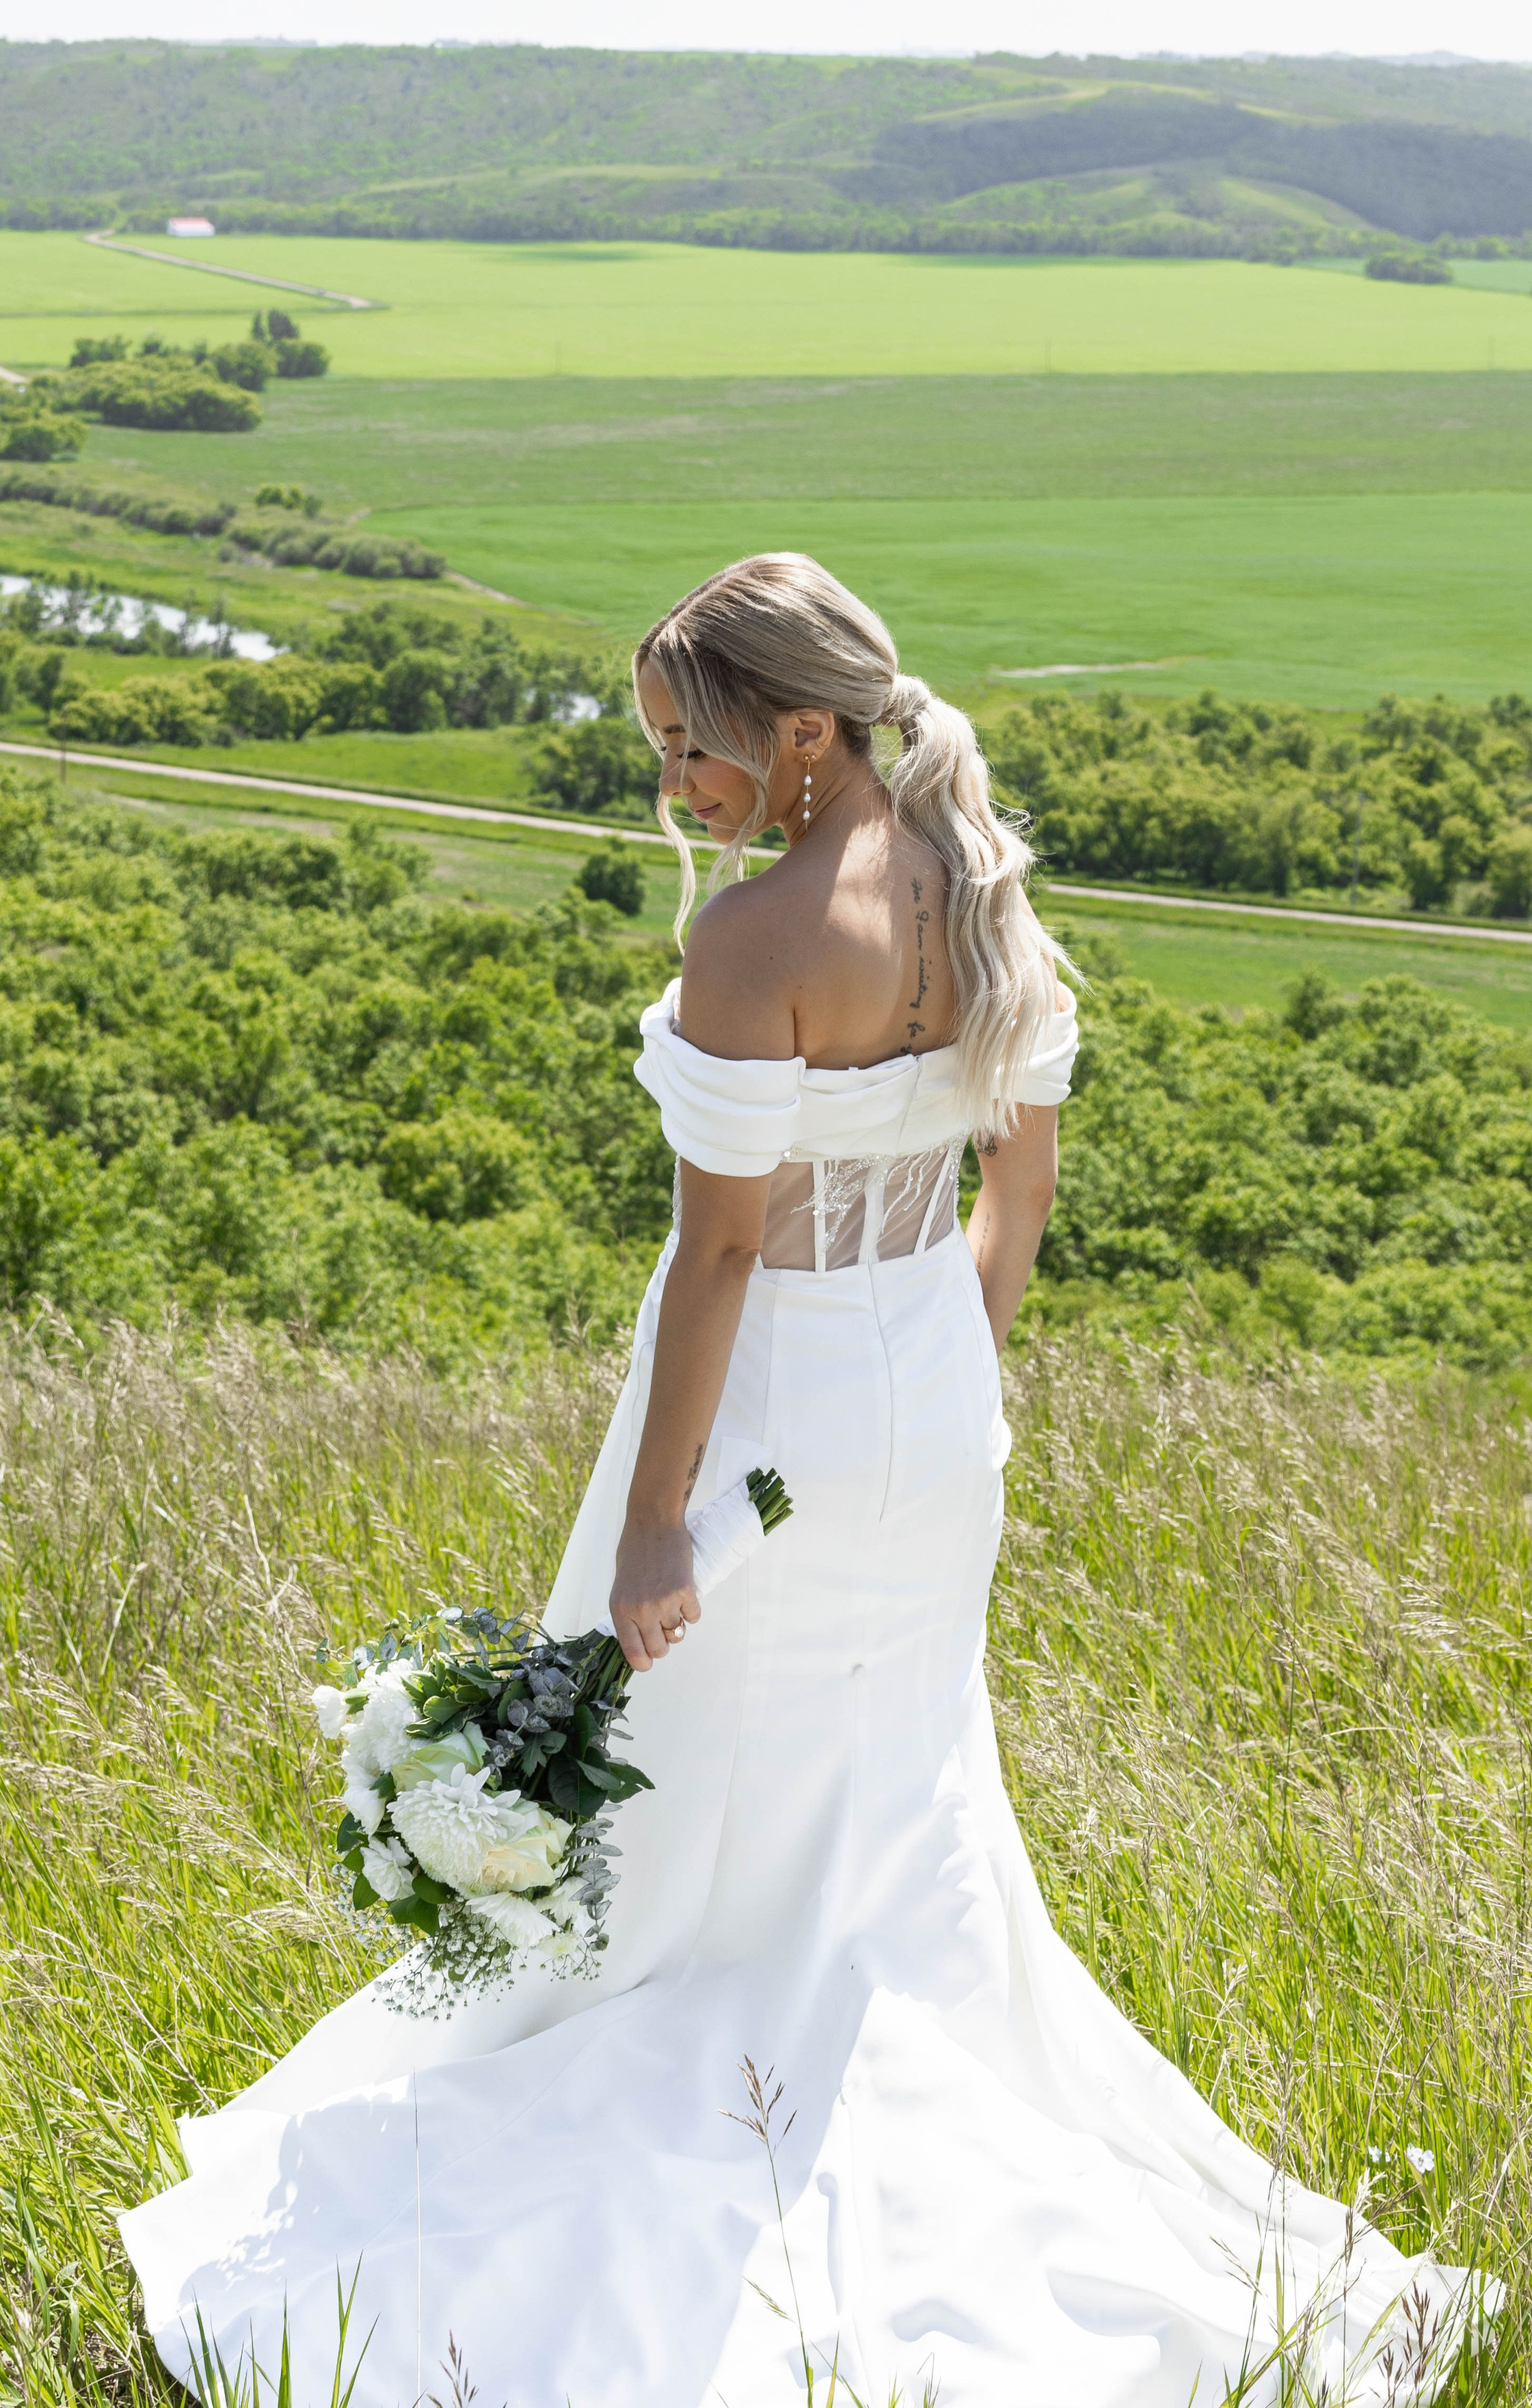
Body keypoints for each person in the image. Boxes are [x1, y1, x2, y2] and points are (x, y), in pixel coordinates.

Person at [123, 556, 1492, 2405]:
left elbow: (719, 1261)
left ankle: (756, 2157)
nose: (672, 792)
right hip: (930, 1406)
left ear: (800, 733)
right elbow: (1023, 1192)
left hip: (772, 1401)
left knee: (703, 1821)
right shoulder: (976, 880)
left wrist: (653, 1525)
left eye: (690, 753)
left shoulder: (755, 943)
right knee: (890, 1803)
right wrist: (950, 1370)